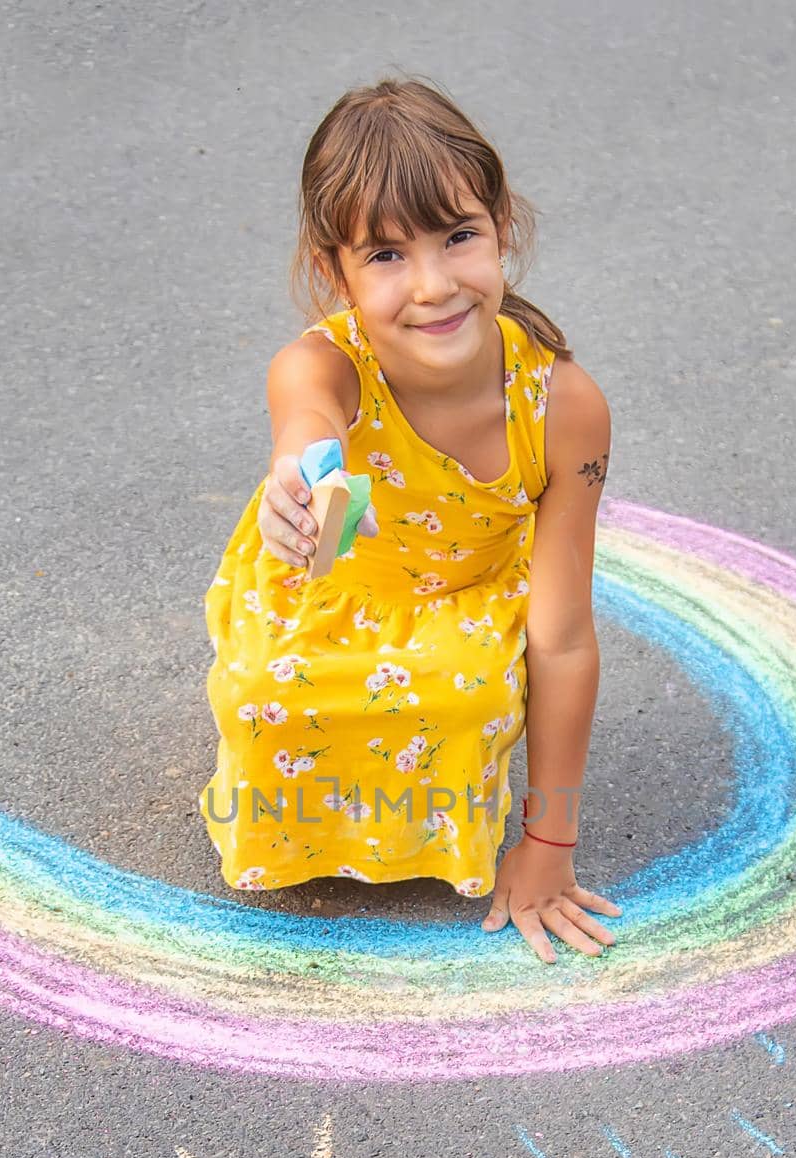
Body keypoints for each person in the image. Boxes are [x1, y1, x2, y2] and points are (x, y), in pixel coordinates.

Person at [200, 75, 622, 964]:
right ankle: (305, 830)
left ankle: (426, 816)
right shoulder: (323, 363)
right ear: (335, 273)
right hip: (335, 580)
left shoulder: (563, 405)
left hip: (468, 595)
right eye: (386, 255)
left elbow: (563, 639)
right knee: (264, 696)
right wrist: (304, 475)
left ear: (501, 232)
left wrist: (549, 843)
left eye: (458, 237)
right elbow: (307, 417)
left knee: (462, 694)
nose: (432, 285)